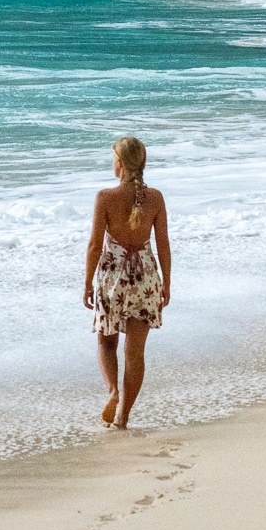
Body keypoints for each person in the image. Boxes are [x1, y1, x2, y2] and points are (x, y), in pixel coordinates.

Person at [83, 135, 171, 429]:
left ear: (119, 163)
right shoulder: (156, 198)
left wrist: (86, 283)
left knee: (107, 343)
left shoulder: (105, 197)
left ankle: (112, 392)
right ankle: (123, 416)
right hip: (145, 277)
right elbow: (163, 245)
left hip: (112, 277)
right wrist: (166, 283)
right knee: (135, 352)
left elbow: (95, 245)